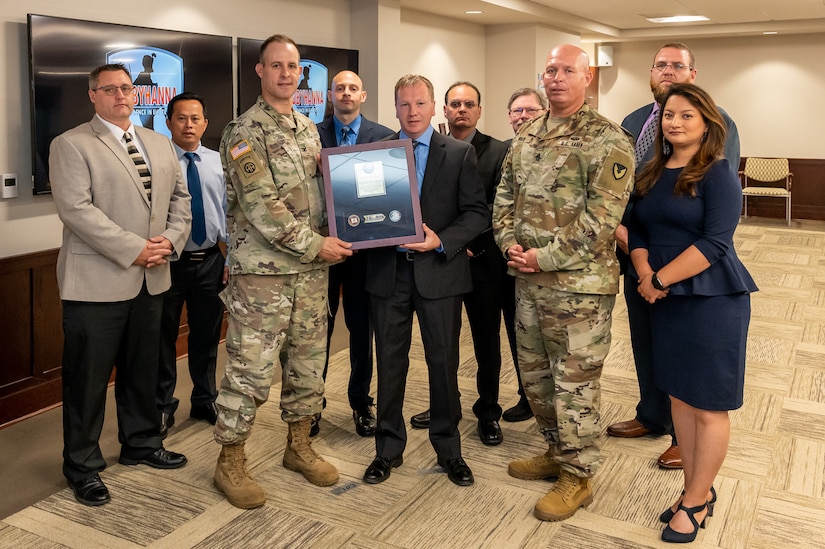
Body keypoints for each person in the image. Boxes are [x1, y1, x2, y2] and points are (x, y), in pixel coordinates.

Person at [493, 44, 634, 521]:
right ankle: (555, 451)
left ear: (587, 76)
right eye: (550, 70)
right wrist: (509, 244)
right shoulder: (528, 133)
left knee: (574, 385)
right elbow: (504, 196)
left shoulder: (608, 139)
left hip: (579, 289)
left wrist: (545, 257)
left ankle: (579, 476)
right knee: (535, 379)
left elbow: (602, 219)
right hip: (528, 283)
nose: (556, 78)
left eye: (567, 70)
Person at [213, 34, 353, 510]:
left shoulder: (309, 129)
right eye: (276, 66)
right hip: (263, 277)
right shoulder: (242, 132)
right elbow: (261, 207)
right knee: (250, 370)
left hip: (312, 275)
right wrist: (318, 245)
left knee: (308, 365)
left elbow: (325, 194)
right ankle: (230, 460)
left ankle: (299, 446)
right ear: (260, 71)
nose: (286, 74)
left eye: (293, 67)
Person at [50, 63, 191, 507]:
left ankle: (142, 443)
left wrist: (169, 240)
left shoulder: (159, 143)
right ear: (92, 95)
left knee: (142, 370)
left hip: (152, 278)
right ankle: (83, 466)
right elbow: (77, 210)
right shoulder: (71, 144)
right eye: (109, 89)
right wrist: (135, 248)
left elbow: (181, 201)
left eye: (127, 88)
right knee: (87, 381)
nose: (121, 96)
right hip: (96, 283)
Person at [626, 83, 756, 543]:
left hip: (711, 299)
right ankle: (691, 490)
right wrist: (644, 270)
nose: (674, 122)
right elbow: (635, 227)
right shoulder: (652, 172)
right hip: (664, 299)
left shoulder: (717, 172)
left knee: (708, 405)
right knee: (680, 398)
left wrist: (659, 280)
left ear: (707, 123)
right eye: (669, 115)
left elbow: (715, 243)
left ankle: (698, 501)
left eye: (686, 115)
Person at [608, 42, 741, 471]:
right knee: (647, 345)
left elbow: (713, 220)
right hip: (638, 253)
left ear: (692, 74)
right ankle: (652, 414)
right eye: (660, 64)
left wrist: (662, 277)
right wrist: (637, 254)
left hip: (692, 272)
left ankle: (686, 440)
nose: (667, 70)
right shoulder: (631, 121)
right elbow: (630, 187)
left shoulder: (719, 134)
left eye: (677, 65)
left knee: (693, 367)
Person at [362, 74, 488, 487]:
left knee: (443, 364)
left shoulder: (459, 153)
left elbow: (476, 213)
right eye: (404, 105)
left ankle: (449, 449)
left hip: (439, 273)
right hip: (389, 275)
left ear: (434, 108)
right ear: (394, 109)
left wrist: (441, 241)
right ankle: (387, 450)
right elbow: (361, 212)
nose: (412, 112)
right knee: (390, 364)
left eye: (420, 104)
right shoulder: (374, 154)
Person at [408, 81, 511, 446]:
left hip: (481, 262)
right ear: (445, 110)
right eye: (455, 104)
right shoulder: (426, 148)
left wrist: (461, 243)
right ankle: (443, 407)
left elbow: (498, 209)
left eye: (469, 104)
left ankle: (488, 411)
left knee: (486, 343)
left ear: (480, 110)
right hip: (438, 263)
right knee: (441, 346)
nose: (462, 109)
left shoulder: (499, 151)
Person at [316, 70, 393, 438]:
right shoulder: (310, 135)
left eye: (352, 88)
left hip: (365, 252)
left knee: (362, 331)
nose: (345, 93)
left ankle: (361, 402)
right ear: (330, 95)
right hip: (322, 250)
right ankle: (311, 405)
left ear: (363, 95)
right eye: (339, 88)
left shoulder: (383, 137)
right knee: (317, 332)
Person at [156, 92, 228, 437]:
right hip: (167, 263)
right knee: (163, 338)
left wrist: (232, 259)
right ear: (168, 122)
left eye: (195, 118)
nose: (189, 125)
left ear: (205, 124)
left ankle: (204, 398)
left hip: (211, 261)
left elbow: (229, 213)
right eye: (181, 118)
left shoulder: (218, 161)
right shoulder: (157, 162)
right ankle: (163, 406)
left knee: (207, 336)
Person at [501, 87, 547, 422]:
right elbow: (500, 204)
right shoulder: (508, 151)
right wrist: (507, 244)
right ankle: (528, 399)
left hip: (554, 269)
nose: (523, 117)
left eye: (530, 110)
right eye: (517, 111)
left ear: (543, 112)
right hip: (511, 262)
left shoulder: (558, 151)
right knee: (525, 342)